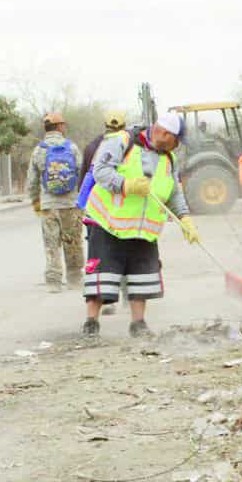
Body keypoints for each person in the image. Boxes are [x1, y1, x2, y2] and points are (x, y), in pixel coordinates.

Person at [79, 110, 201, 338]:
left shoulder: (169, 159)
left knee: (141, 275)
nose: (177, 146)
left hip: (143, 228)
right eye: (177, 140)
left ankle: (138, 323)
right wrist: (127, 185)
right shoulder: (121, 142)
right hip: (108, 222)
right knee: (102, 275)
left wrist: (185, 218)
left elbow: (174, 192)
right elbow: (101, 172)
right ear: (165, 133)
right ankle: (91, 323)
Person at [25, 111, 85, 293]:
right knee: (73, 242)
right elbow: (82, 174)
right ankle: (74, 278)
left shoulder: (39, 150)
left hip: (48, 206)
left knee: (51, 243)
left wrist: (36, 202)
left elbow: (32, 181)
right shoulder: (72, 148)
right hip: (71, 204)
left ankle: (53, 281)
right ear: (60, 127)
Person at [77, 110, 128, 313]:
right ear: (124, 125)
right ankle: (125, 296)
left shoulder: (92, 146)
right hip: (120, 210)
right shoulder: (128, 146)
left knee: (98, 256)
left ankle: (105, 300)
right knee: (125, 253)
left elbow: (84, 179)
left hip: (95, 211)